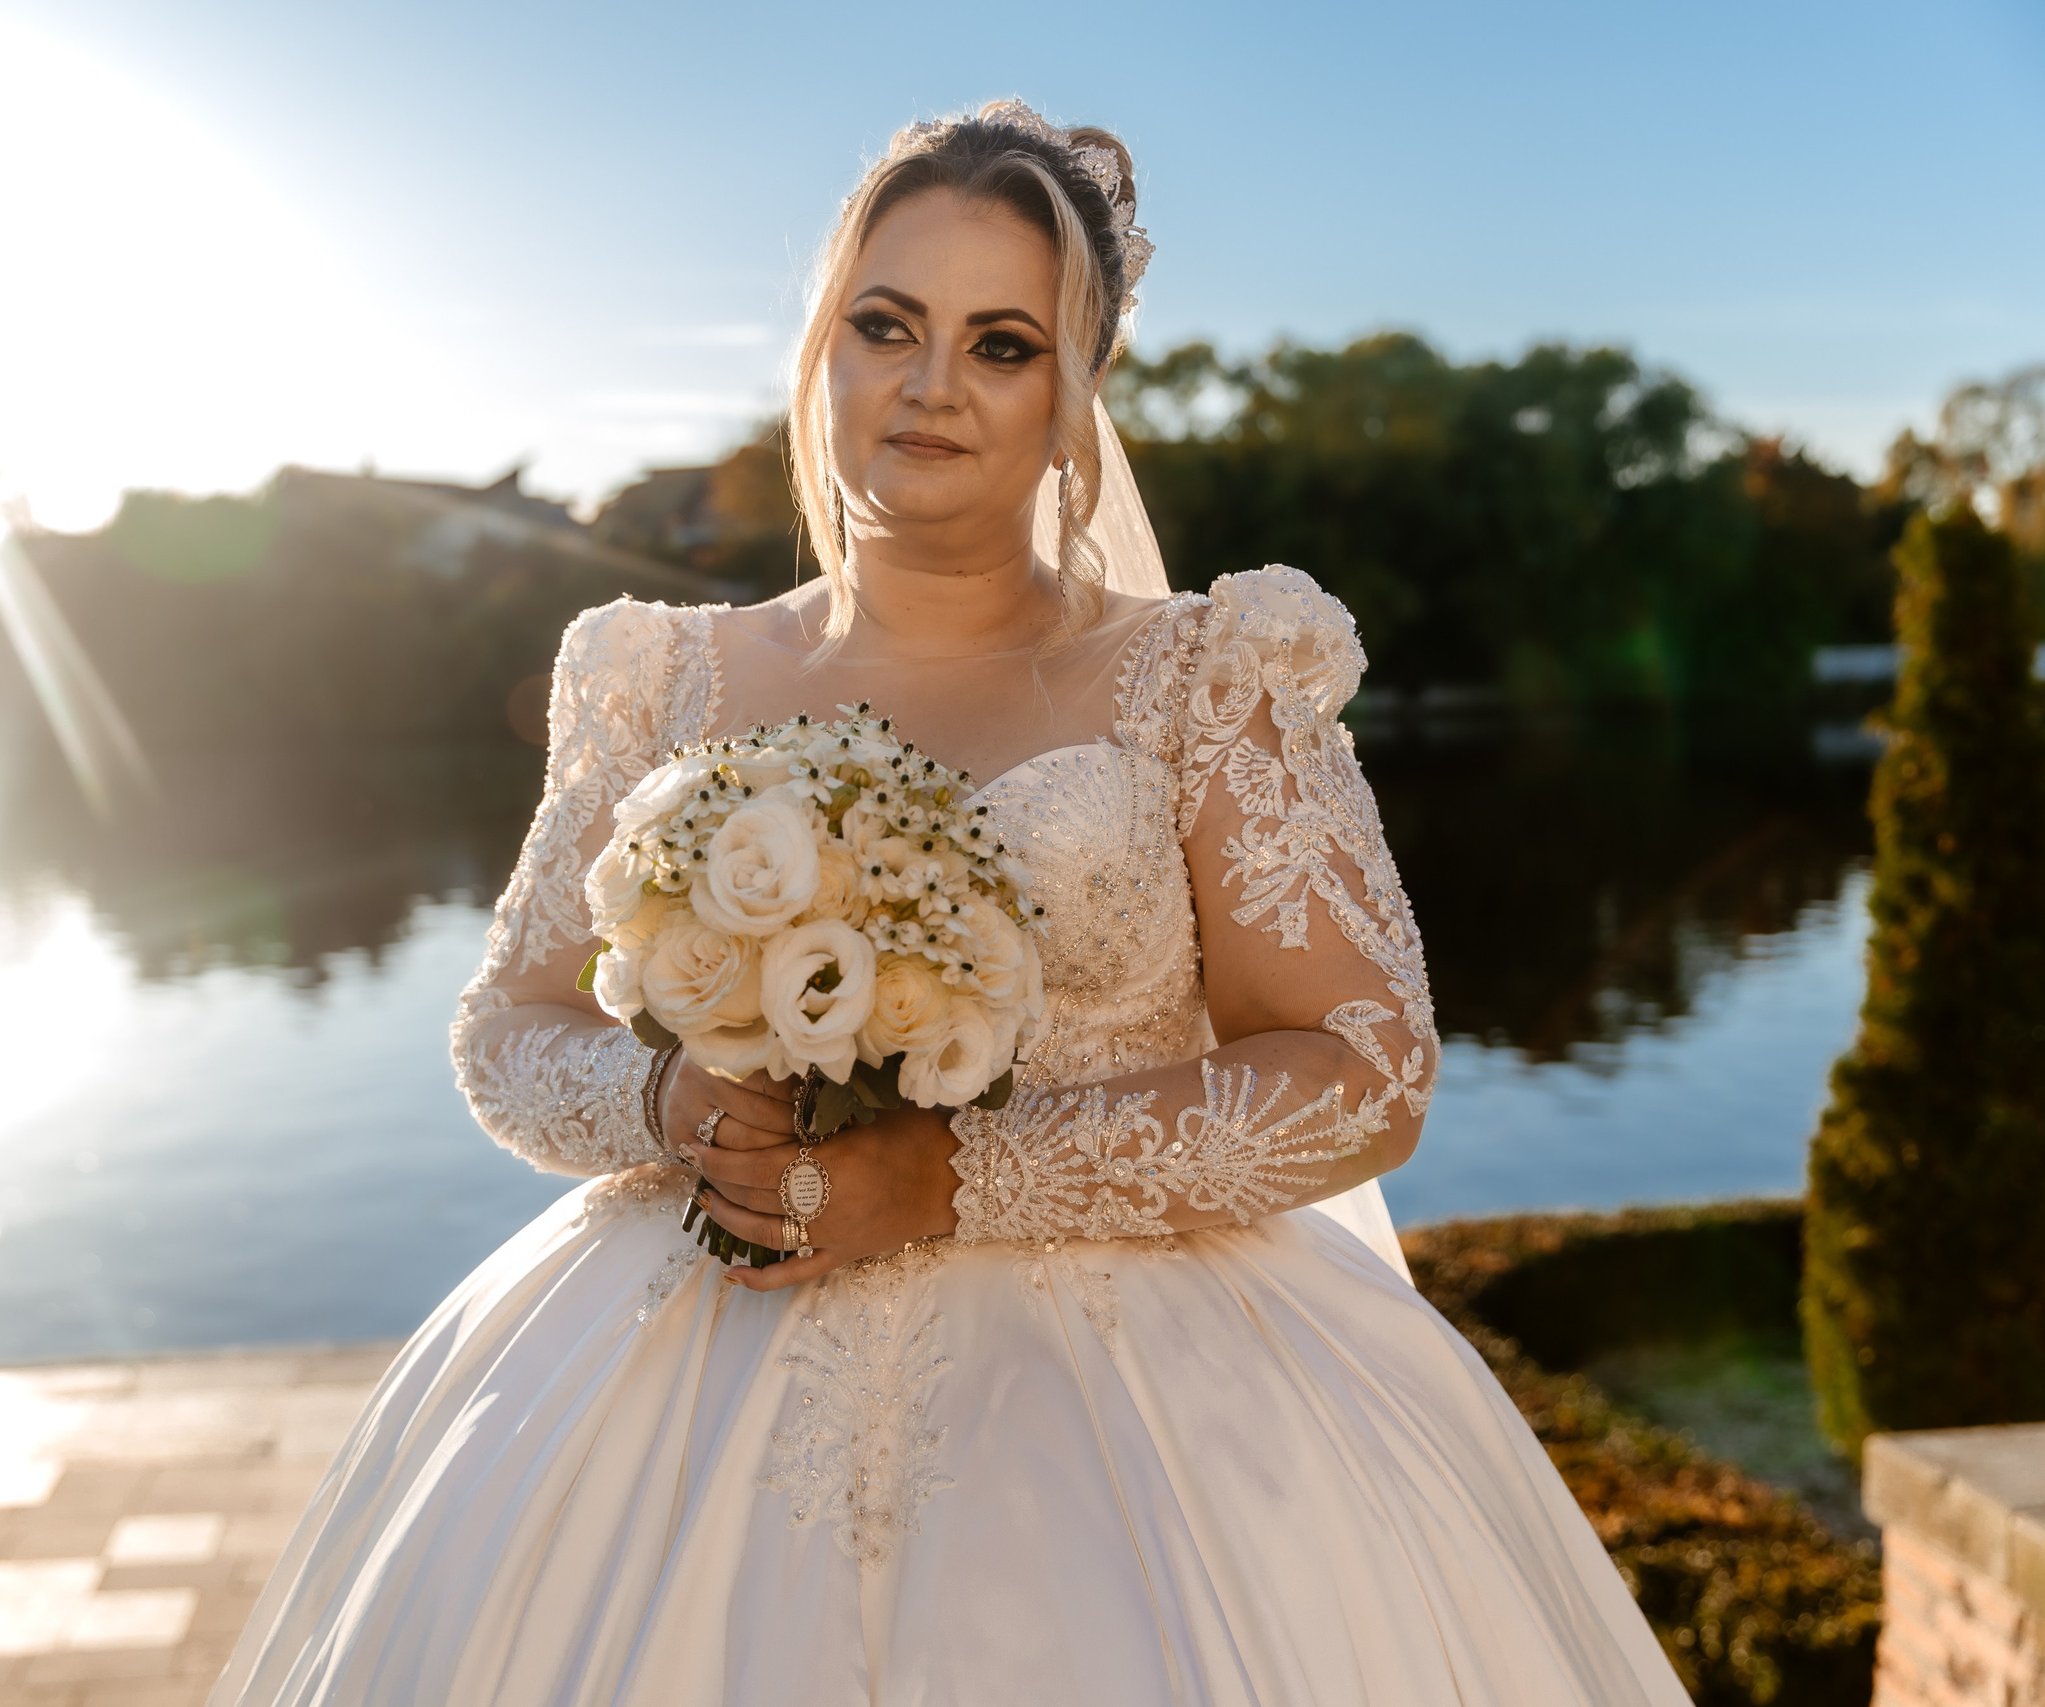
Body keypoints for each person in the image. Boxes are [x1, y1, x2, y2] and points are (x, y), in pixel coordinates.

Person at [212, 100, 1692, 1706]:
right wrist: (671, 1095)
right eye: (886, 325)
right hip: (683, 1352)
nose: (929, 385)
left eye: (1003, 345)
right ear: (821, 348)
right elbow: (511, 1028)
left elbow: (1364, 1067)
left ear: (1079, 399)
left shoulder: (1208, 677)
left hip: (1145, 1408)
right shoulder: (650, 677)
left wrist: (955, 1176)